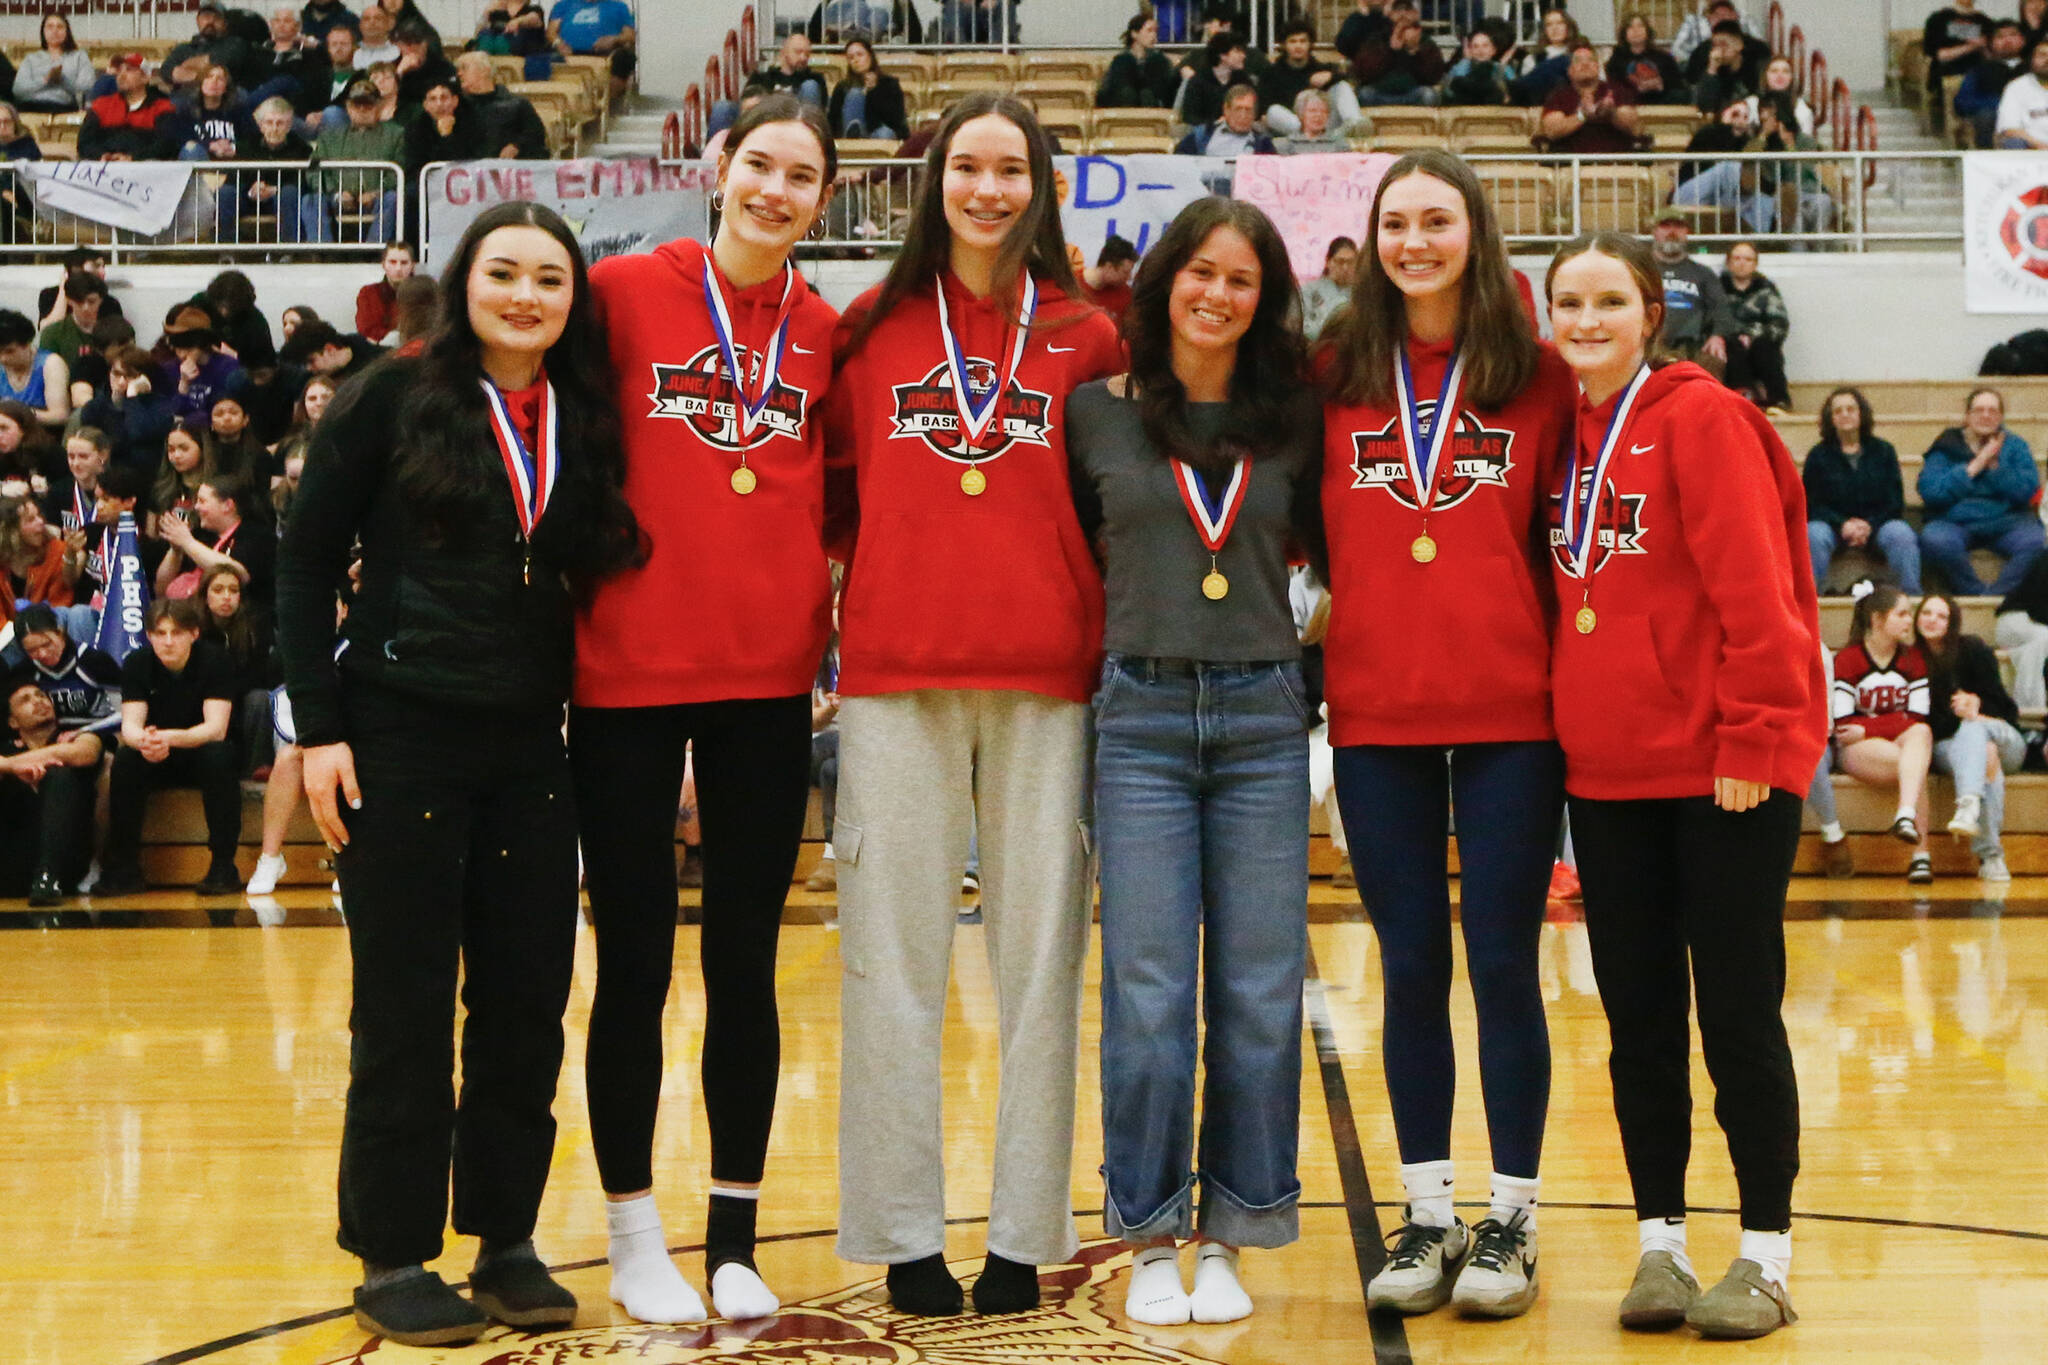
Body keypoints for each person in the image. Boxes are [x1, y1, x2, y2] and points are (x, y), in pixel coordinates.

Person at [276, 200, 639, 1348]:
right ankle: (390, 1254)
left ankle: (506, 1239)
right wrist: (319, 729)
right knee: (404, 1009)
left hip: (532, 744)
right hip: (397, 736)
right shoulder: (392, 390)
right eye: (504, 273)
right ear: (462, 280)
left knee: (527, 1008)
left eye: (549, 279)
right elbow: (300, 556)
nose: (526, 296)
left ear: (572, 298)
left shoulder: (580, 411)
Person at [824, 92, 1123, 1319]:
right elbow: (832, 502)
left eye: (1012, 170)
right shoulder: (873, 327)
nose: (989, 190)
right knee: (888, 964)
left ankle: (1021, 1234)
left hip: (1051, 677)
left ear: (1039, 187)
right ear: (933, 179)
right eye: (968, 168)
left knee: (1040, 962)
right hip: (895, 676)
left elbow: (1113, 504)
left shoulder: (1086, 335)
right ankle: (900, 1235)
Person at [569, 95, 839, 1328]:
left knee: (745, 964)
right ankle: (631, 1234)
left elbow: (830, 503)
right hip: (622, 675)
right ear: (718, 168)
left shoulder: (822, 331)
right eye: (760, 166)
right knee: (630, 964)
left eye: (802, 177)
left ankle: (733, 1235)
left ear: (822, 201)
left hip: (766, 686)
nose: (775, 191)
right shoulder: (625, 291)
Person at [1544, 229, 1824, 1340]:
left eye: (1607, 300)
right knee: (1638, 1022)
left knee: (1737, 1017)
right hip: (1607, 775)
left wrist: (1755, 739)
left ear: (1648, 312)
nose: (1585, 320)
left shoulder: (1700, 415)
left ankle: (1763, 1253)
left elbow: (1761, 595)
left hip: (1722, 773)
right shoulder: (1559, 435)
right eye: (1566, 301)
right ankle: (1658, 1243)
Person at [1318, 149, 1575, 1323]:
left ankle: (1509, 1218)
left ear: (1473, 233)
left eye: (1436, 220)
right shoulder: (1333, 373)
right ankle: (1425, 1214)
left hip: (1511, 715)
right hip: (1374, 715)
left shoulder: (1535, 377)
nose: (1414, 241)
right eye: (1395, 223)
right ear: (1371, 243)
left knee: (1502, 965)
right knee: (1411, 968)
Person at [1070, 194, 1323, 1328]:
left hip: (1266, 714)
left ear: (1263, 300)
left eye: (1242, 279)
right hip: (1137, 718)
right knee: (1148, 992)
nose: (1217, 295)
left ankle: (1232, 1230)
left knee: (1262, 994)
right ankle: (1147, 1235)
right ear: (1164, 278)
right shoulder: (1093, 415)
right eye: (1200, 272)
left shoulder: (1294, 420)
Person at [92, 597, 240, 896]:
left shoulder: (215, 660)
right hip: (157, 752)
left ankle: (223, 865)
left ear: (194, 634)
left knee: (219, 756)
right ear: (149, 636)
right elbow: (130, 726)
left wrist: (166, 738)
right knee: (126, 759)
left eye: (177, 633)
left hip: (200, 750)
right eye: (160, 633)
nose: (168, 642)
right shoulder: (137, 663)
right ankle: (125, 866)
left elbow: (216, 729)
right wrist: (145, 742)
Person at [1831, 582, 1936, 883]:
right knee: (1915, 763)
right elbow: (1842, 723)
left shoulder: (1912, 658)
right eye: (1901, 614)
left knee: (1922, 736)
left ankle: (1905, 816)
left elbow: (1917, 716)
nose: (1908, 620)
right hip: (1858, 751)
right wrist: (1880, 727)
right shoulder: (1849, 659)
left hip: (1894, 739)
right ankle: (1921, 855)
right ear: (1878, 619)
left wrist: (1866, 727)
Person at [1916, 592, 2021, 881]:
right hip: (1952, 748)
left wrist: (1977, 705)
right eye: (1926, 613)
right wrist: (1957, 716)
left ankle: (1968, 803)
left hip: (2003, 737)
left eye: (1941, 615)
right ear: (1917, 618)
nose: (1932, 620)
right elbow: (1923, 724)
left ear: (1953, 623)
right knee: (1983, 751)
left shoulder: (1973, 649)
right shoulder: (1912, 659)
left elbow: (2008, 711)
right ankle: (1991, 856)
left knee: (1976, 730)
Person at [1916, 387, 2044, 596]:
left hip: (2007, 522)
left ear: (2001, 417)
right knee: (1934, 540)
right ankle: (1975, 594)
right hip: (1955, 522)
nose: (1986, 415)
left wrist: (1995, 468)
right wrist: (1975, 465)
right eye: (1979, 410)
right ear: (1967, 416)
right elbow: (1931, 492)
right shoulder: (1946, 445)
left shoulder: (2015, 446)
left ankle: (1996, 597)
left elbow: (2026, 491)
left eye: (1992, 411)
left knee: (2038, 542)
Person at [0, 674, 104, 906]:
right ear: (13, 722)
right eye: (25, 700)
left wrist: (9, 764)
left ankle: (48, 874)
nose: (38, 701)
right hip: (11, 862)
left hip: (66, 861)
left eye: (41, 695)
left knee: (59, 773)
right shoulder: (5, 748)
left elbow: (84, 753)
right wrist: (12, 768)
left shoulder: (79, 735)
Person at [1803, 387, 1915, 593]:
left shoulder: (1884, 451)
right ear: (1831, 419)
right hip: (1832, 528)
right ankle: (1810, 599)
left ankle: (1911, 597)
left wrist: (1868, 525)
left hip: (1878, 526)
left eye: (1850, 409)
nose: (1845, 414)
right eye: (1838, 411)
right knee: (1813, 534)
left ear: (1861, 414)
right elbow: (1811, 504)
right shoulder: (1818, 456)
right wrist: (1842, 524)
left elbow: (1894, 502)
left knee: (1901, 534)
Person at [309, 80, 405, 244]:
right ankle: (321, 252)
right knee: (310, 201)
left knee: (392, 198)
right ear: (348, 107)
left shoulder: (396, 134)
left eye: (368, 105)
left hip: (377, 197)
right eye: (357, 105)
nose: (362, 109)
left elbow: (401, 168)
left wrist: (377, 192)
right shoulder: (328, 136)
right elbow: (313, 170)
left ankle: (374, 249)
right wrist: (336, 193)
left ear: (379, 106)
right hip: (337, 198)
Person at [1646, 210, 1732, 366]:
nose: (1672, 232)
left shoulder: (1703, 273)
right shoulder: (1641, 269)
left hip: (1692, 347)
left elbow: (1721, 309)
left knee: (1714, 361)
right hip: (1647, 345)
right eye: (1665, 226)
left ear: (1687, 232)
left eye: (1678, 227)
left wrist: (1717, 336)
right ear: (1654, 232)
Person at [227, 96, 316, 243]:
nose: (274, 128)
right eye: (269, 123)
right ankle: (226, 250)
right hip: (250, 200)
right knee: (226, 193)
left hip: (284, 201)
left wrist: (275, 190)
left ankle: (288, 251)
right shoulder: (245, 146)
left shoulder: (302, 148)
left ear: (289, 126)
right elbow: (233, 179)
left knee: (288, 193)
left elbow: (304, 182)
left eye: (280, 123)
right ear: (261, 125)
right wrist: (252, 191)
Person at [1261, 18, 1364, 134]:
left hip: (1324, 128)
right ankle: (1308, 136)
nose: (1298, 46)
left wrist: (1331, 76)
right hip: (1293, 128)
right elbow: (1265, 109)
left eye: (1303, 41)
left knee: (1342, 86)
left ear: (1310, 44)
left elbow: (1352, 79)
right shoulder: (1272, 73)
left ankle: (1355, 124)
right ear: (1284, 45)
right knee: (1273, 111)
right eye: (1293, 41)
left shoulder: (1320, 68)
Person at [1718, 242, 1788, 410]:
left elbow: (1779, 324)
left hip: (1760, 344)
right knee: (1733, 347)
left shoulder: (1766, 289)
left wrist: (1752, 336)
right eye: (1737, 258)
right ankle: (1744, 398)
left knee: (1765, 347)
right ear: (1728, 262)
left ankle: (1778, 401)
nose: (1742, 263)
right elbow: (1711, 319)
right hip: (1729, 346)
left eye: (1748, 259)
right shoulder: (1717, 288)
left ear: (1755, 264)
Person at [1539, 41, 1642, 153]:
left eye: (1590, 60)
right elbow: (1551, 131)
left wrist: (1612, 114)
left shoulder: (1617, 91)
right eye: (1578, 61)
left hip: (1615, 165)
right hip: (1571, 165)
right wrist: (1581, 116)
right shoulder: (1558, 96)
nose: (1585, 64)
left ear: (1598, 67)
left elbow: (1634, 127)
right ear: (1570, 71)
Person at [79, 54, 182, 161]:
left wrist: (133, 158)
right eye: (119, 70)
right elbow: (84, 143)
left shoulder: (162, 107)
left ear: (145, 77)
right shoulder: (101, 105)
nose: (121, 75)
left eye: (129, 70)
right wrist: (101, 155)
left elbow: (167, 145)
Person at [0, 494, 78, 624]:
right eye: (30, 520)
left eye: (39, 516)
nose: (41, 522)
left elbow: (60, 605)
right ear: (10, 531)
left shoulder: (57, 551)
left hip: (48, 631)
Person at [454, 51, 547, 157]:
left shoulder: (517, 104)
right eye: (458, 70)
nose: (459, 74)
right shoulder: (457, 106)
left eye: (464, 68)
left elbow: (536, 135)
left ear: (484, 71)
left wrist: (516, 146)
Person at [1353, 5, 1445, 107]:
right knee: (1364, 94)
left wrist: (1413, 51)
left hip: (1413, 94)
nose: (1403, 15)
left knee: (1429, 95)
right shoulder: (1377, 39)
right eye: (1398, 9)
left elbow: (1434, 77)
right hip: (1380, 94)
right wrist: (1390, 50)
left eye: (1407, 9)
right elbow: (1364, 74)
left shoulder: (1425, 42)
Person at [1955, 20, 2026, 147]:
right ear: (1992, 44)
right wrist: (2000, 103)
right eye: (2000, 37)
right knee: (1985, 116)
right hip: (1994, 115)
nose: (2007, 41)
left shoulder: (2035, 68)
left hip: (2033, 114)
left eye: (2012, 35)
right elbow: (1962, 102)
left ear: (2022, 40)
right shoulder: (1979, 70)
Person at [1925, 0, 1989, 134]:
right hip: (1948, 70)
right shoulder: (1939, 18)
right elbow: (1939, 55)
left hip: (1979, 70)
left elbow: (1991, 52)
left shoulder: (1985, 21)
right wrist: (1973, 45)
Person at [0, 307, 69, 430]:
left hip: (42, 435)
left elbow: (60, 415)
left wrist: (17, 413)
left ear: (27, 344)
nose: (3, 359)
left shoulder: (50, 364)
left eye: (9, 351)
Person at [14, 11, 96, 113]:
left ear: (67, 32)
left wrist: (63, 81)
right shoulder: (31, 59)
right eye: (50, 27)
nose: (55, 31)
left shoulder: (79, 57)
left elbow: (88, 86)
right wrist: (45, 80)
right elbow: (18, 90)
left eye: (60, 27)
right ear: (43, 32)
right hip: (31, 106)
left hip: (63, 106)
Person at [827, 38, 905, 142]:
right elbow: (833, 122)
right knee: (855, 94)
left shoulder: (889, 83)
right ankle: (854, 135)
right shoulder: (842, 87)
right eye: (851, 58)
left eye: (860, 55)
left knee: (885, 133)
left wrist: (873, 91)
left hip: (878, 133)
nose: (856, 60)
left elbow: (895, 120)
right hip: (846, 137)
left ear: (870, 56)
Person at [1098, 11, 1179, 109]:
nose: (1154, 35)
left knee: (1156, 64)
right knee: (1124, 62)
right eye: (1149, 31)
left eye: (1155, 31)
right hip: (1124, 103)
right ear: (1134, 34)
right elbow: (1106, 90)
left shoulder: (1161, 60)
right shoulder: (1121, 60)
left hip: (1154, 104)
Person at [405, 74, 488, 169]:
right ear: (425, 105)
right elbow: (414, 168)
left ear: (455, 101)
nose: (439, 104)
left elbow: (469, 161)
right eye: (433, 99)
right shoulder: (415, 129)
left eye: (444, 98)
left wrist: (447, 136)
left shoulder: (472, 125)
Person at [175, 62, 254, 162]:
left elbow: (252, 139)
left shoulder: (238, 112)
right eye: (209, 77)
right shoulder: (186, 112)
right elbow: (181, 140)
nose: (214, 81)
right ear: (201, 82)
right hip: (200, 166)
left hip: (231, 165)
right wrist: (210, 146)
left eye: (220, 78)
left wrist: (233, 147)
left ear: (226, 87)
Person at [1606, 13, 1687, 105]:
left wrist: (1661, 85)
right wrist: (1636, 87)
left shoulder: (1664, 57)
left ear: (1647, 31)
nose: (1636, 31)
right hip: (1630, 105)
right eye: (1630, 27)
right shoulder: (1616, 60)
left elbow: (1678, 85)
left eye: (1640, 26)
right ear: (1624, 34)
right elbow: (1613, 87)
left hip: (1661, 104)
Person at [1180, 28, 1254, 127]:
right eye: (1237, 51)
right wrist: (1215, 123)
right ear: (1222, 55)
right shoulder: (1199, 81)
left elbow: (1255, 108)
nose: (1243, 56)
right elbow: (1190, 117)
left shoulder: (1242, 79)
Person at [1175, 83, 1275, 155]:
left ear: (1254, 114)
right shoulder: (1202, 135)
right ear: (1226, 110)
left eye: (1248, 110)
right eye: (1238, 109)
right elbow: (1179, 161)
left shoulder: (1263, 144)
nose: (1243, 115)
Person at [1508, 7, 1579, 106]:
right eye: (1549, 25)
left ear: (1568, 26)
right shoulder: (1532, 59)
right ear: (1544, 30)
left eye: (1560, 23)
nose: (1555, 28)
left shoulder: (1582, 53)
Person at [1688, 22, 1755, 117]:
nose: (1718, 50)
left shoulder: (1753, 68)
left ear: (1739, 45)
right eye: (1715, 45)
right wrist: (1712, 69)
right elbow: (1705, 106)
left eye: (1724, 44)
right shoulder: (1710, 70)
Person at [1993, 38, 2048, 148]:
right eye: (2042, 55)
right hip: (2031, 150)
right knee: (2013, 142)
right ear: (2032, 60)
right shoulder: (2016, 87)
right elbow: (2009, 129)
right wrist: (2042, 147)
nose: (2047, 59)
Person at [357, 242, 416, 343]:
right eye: (392, 262)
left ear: (412, 266)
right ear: (384, 265)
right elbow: (365, 330)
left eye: (404, 263)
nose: (398, 268)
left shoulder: (424, 293)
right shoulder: (368, 293)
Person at [1670, 0, 1761, 67]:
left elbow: (1760, 45)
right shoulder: (1693, 21)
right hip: (1701, 64)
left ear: (1734, 15)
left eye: (1725, 14)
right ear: (1709, 17)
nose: (1721, 18)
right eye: (1717, 15)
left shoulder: (1746, 19)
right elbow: (1676, 48)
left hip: (1740, 64)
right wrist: (1696, 59)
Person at [1300, 234, 1356, 340]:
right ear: (1328, 262)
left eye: (1350, 262)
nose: (1345, 267)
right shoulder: (1308, 291)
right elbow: (1301, 325)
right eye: (1340, 261)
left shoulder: (1362, 293)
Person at [1441, 26, 1511, 106]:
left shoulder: (1503, 68)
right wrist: (1466, 60)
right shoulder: (1462, 66)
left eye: (1485, 46)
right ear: (1469, 50)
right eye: (1475, 46)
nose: (1480, 50)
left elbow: (1513, 94)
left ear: (1493, 50)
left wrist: (1500, 69)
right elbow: (1449, 92)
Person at [1077, 235, 1139, 322]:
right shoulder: (1070, 287)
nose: (1129, 277)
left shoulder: (1125, 295)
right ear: (1109, 267)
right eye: (1125, 272)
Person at [1276, 87, 1351, 152]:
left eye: (1323, 111)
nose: (1318, 115)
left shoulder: (1340, 146)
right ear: (1301, 114)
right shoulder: (1287, 146)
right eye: (1313, 111)